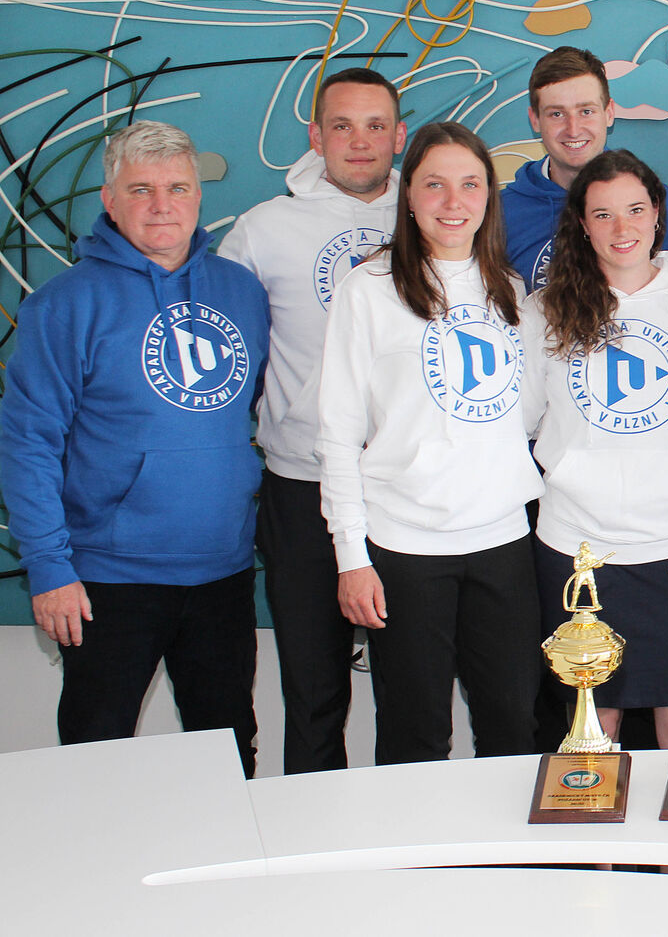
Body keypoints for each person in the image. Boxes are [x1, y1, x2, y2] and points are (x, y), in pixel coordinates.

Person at [0, 120, 268, 774]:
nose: (161, 205)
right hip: (107, 579)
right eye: (141, 189)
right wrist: (49, 566)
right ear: (109, 200)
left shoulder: (242, 291)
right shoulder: (64, 305)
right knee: (97, 762)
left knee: (227, 756)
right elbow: (29, 442)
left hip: (223, 571)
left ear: (197, 196)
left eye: (177, 188)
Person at [316, 121, 543, 765]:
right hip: (404, 549)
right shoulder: (368, 290)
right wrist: (352, 557)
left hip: (502, 543)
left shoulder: (509, 291)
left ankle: (508, 840)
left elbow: (525, 417)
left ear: (489, 196)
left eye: (470, 184)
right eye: (434, 184)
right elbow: (337, 434)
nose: (453, 201)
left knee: (512, 727)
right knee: (414, 737)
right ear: (408, 194)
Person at [220, 66, 405, 774]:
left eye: (375, 125)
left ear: (400, 135)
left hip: (405, 489)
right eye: (342, 125)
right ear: (315, 135)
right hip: (302, 486)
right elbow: (226, 355)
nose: (360, 141)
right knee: (314, 689)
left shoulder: (434, 215)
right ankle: (310, 827)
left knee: (410, 691)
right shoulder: (263, 229)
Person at [523, 149, 668, 750]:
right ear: (581, 225)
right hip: (577, 546)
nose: (621, 228)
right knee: (591, 733)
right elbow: (522, 422)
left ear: (658, 213)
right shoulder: (544, 311)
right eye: (602, 214)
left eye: (635, 210)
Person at [502, 45, 668, 289]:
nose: (573, 129)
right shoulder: (501, 213)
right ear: (535, 120)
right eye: (556, 114)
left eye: (586, 111)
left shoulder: (653, 200)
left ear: (609, 113)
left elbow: (666, 295)